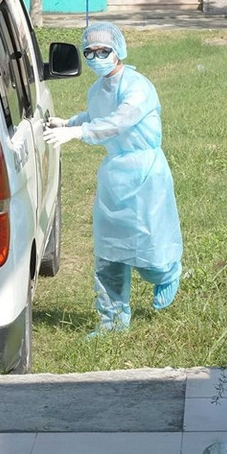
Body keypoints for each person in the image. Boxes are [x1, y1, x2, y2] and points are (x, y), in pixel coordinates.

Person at [43, 21, 183, 338]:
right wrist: (70, 122)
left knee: (148, 241)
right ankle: (112, 321)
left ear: (117, 49)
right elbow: (96, 116)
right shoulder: (98, 88)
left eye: (103, 50)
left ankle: (167, 272)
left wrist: (77, 133)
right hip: (114, 174)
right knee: (109, 251)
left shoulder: (138, 86)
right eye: (89, 52)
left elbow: (119, 122)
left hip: (145, 173)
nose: (96, 57)